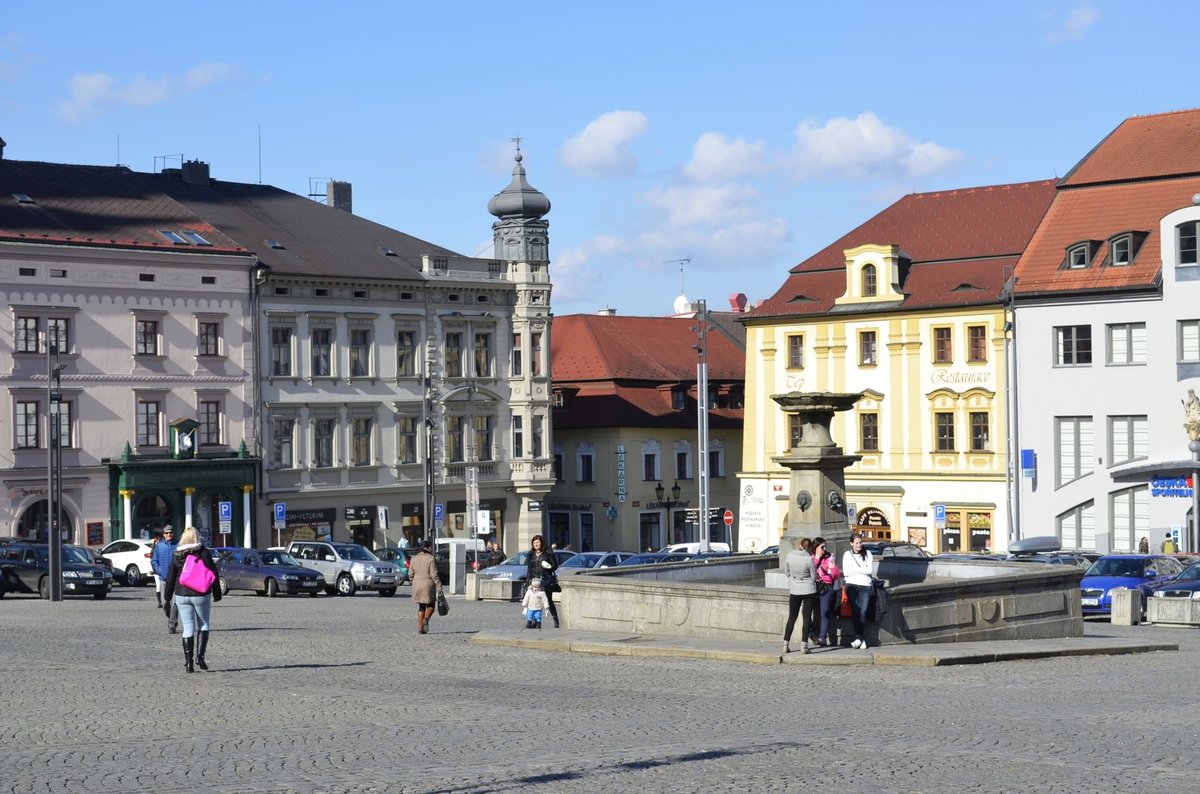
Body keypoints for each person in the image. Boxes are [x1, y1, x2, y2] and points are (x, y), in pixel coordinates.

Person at [162, 527, 221, 673]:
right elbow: (213, 573)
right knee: (203, 624)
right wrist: (217, 593)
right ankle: (200, 657)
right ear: (197, 537)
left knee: (187, 627)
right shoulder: (204, 552)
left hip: (182, 593)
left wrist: (167, 596)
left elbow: (170, 577)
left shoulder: (177, 554)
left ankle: (188, 664)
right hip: (201, 593)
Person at [781, 540, 818, 654]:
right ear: (810, 547)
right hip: (808, 590)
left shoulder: (789, 556)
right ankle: (804, 646)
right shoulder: (809, 559)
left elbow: (787, 573)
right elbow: (814, 576)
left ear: (800, 545)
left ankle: (785, 644)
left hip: (795, 589)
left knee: (792, 617)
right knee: (806, 618)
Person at [841, 533, 874, 649]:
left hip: (865, 586)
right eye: (856, 543)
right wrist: (862, 569)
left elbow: (869, 570)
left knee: (863, 612)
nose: (859, 545)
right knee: (856, 611)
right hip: (852, 586)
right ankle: (861, 638)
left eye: (860, 542)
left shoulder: (868, 553)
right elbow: (846, 572)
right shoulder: (847, 555)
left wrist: (855, 569)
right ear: (851, 544)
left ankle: (859, 638)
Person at [811, 536, 841, 647]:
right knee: (810, 612)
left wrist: (833, 568)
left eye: (825, 547)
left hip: (826, 587)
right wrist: (817, 559)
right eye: (822, 547)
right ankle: (812, 634)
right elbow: (810, 571)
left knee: (824, 612)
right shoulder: (811, 558)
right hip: (813, 587)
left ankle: (822, 637)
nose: (824, 549)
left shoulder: (829, 558)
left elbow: (836, 575)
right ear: (815, 547)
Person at [525, 534, 560, 628]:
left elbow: (555, 566)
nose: (536, 544)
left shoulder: (547, 554)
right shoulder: (531, 555)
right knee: (533, 601)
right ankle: (534, 622)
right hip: (534, 580)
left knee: (548, 600)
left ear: (541, 543)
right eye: (534, 542)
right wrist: (528, 580)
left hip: (545, 579)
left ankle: (556, 620)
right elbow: (529, 568)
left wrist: (548, 567)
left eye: (538, 542)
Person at [409, 540, 441, 634]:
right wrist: (439, 585)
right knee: (431, 605)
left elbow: (410, 573)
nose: (431, 549)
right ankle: (426, 620)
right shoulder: (430, 558)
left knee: (421, 606)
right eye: (430, 547)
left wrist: (412, 581)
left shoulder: (413, 558)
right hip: (428, 584)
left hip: (417, 584)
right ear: (426, 548)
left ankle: (420, 627)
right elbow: (434, 574)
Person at [151, 525, 178, 631]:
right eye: (166, 533)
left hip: (176, 579)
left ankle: (172, 623)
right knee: (165, 602)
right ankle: (171, 617)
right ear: (163, 534)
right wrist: (159, 571)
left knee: (176, 602)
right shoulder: (159, 546)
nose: (169, 534)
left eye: (170, 532)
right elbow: (154, 560)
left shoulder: (178, 545)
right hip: (164, 578)